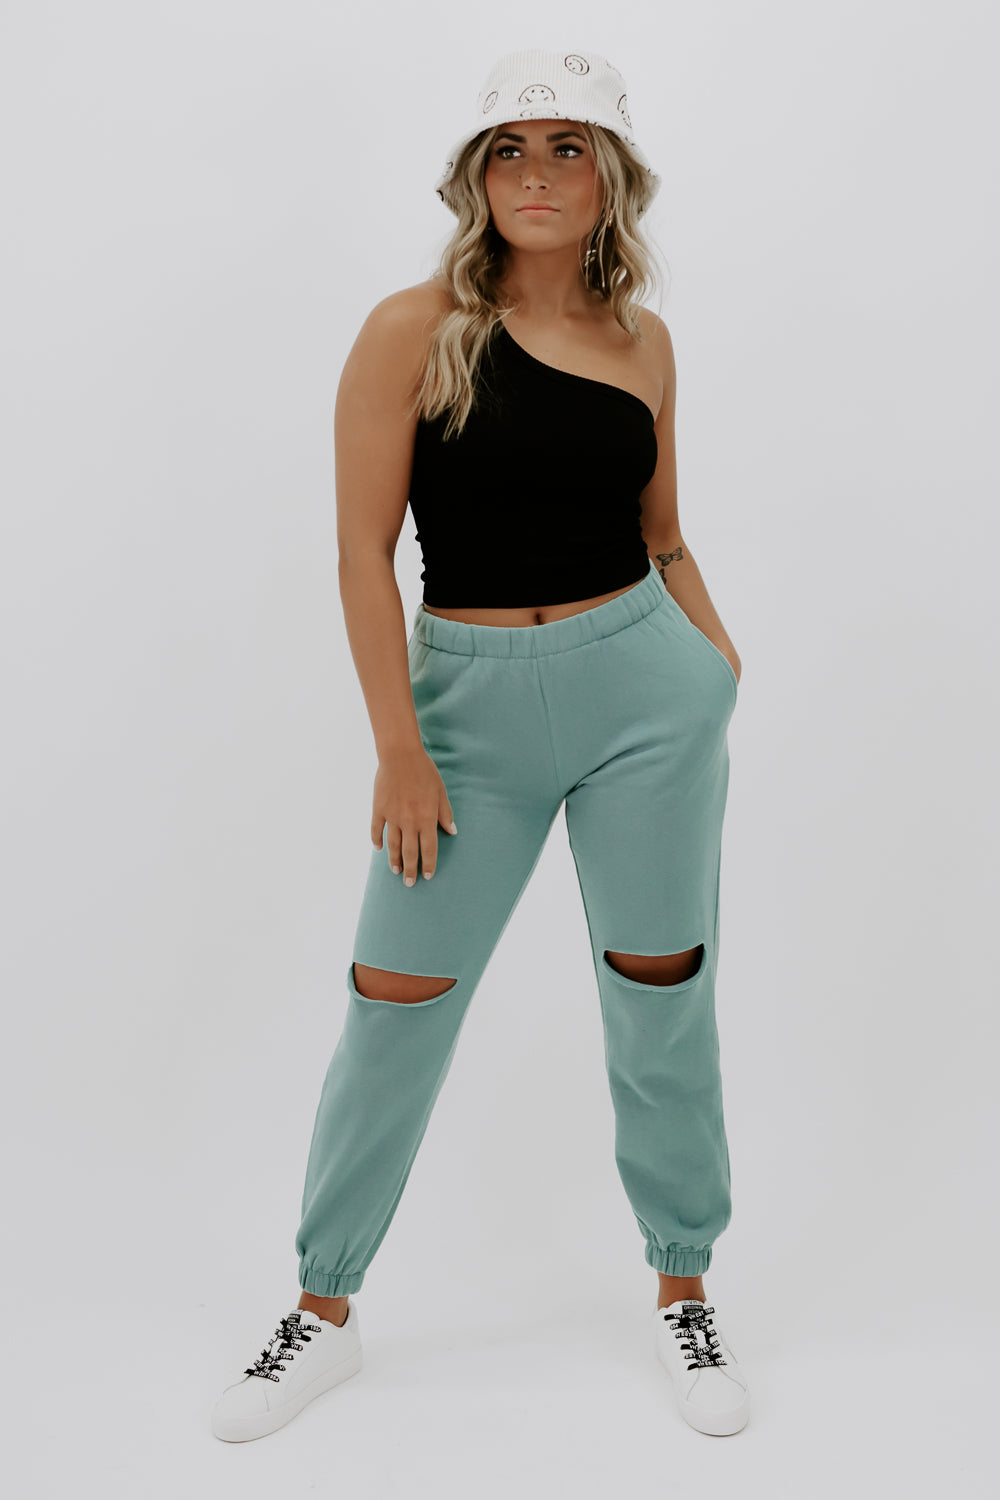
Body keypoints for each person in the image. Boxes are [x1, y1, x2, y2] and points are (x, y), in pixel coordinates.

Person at [212, 46, 751, 1443]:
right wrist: (399, 746)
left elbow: (664, 535)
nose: (537, 174)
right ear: (474, 176)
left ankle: (684, 1286)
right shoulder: (413, 328)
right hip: (464, 710)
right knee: (396, 999)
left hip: (647, 698)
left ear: (613, 177)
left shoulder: (644, 342)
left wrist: (716, 667)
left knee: (660, 986)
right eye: (510, 148)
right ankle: (322, 1309)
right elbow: (362, 553)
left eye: (569, 147)